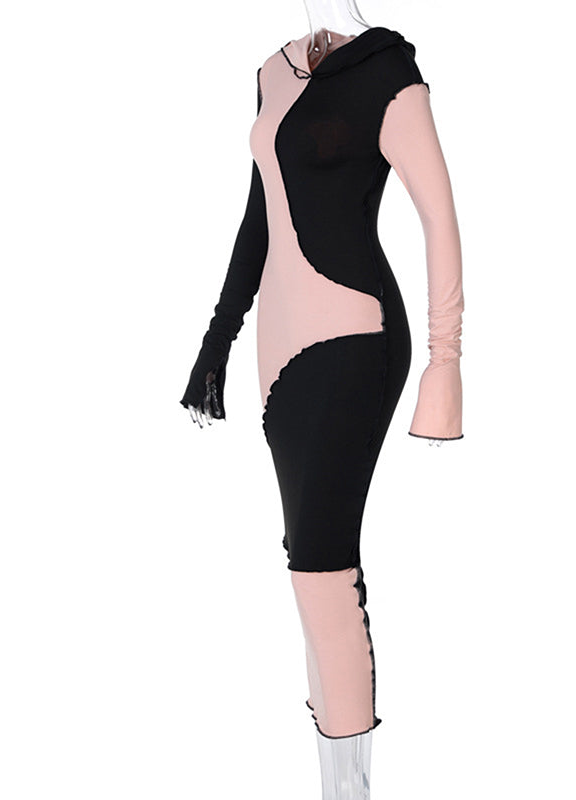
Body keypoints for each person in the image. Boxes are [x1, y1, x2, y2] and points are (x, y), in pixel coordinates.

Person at [179, 3, 464, 797]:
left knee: (321, 568)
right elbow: (259, 218)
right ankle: (336, 779)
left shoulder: (387, 71)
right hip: (278, 356)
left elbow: (439, 217)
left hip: (355, 338)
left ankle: (350, 789)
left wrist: (445, 365)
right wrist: (215, 344)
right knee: (305, 562)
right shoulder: (272, 73)